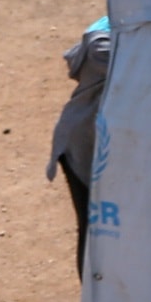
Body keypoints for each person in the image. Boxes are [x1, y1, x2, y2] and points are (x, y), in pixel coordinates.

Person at [48, 17, 112, 274]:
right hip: (82, 142)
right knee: (93, 227)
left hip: (119, 145)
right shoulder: (104, 34)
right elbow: (96, 47)